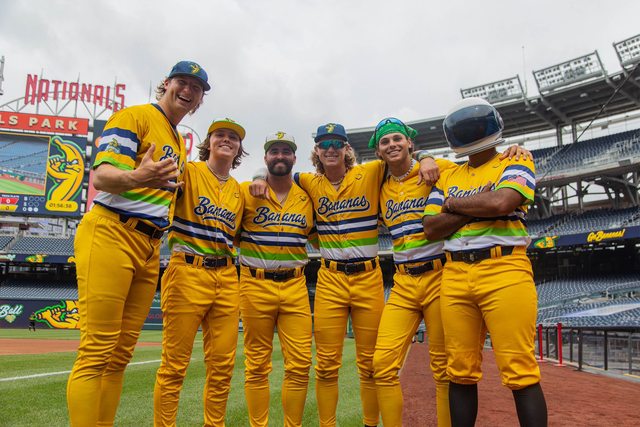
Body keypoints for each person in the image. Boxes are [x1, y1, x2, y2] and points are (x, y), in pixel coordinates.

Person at [251, 122, 438, 427]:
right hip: (330, 278)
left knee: (370, 365)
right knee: (326, 365)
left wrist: (426, 157)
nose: (331, 149)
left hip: (368, 276)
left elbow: (402, 156)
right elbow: (277, 172)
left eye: (337, 143)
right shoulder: (307, 181)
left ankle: (370, 424)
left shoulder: (372, 171)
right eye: (325, 144)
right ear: (317, 150)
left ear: (347, 148)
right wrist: (259, 175)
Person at [67, 60, 209, 427]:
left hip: (149, 244)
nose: (188, 90)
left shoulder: (176, 138)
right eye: (182, 82)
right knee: (97, 351)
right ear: (166, 84)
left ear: (199, 101)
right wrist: (138, 176)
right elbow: (102, 176)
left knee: (119, 356)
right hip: (112, 231)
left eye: (196, 88)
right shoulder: (135, 116)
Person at [370, 117, 532, 427]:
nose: (392, 144)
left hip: (439, 275)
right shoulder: (378, 184)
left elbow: (477, 162)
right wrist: (425, 157)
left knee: (445, 368)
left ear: (409, 143)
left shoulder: (442, 169)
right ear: (378, 151)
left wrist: (428, 159)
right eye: (385, 141)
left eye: (397, 138)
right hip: (403, 280)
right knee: (382, 364)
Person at [423, 97, 547, 427]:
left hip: (504, 267)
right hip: (455, 272)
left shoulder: (516, 160)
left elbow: (503, 201)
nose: (472, 129)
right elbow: (431, 228)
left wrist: (453, 205)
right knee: (459, 370)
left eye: (477, 124)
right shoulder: (447, 176)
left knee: (520, 371)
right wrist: (480, 203)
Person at [153, 118, 247, 426]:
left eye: (233, 137)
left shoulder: (240, 191)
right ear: (209, 142)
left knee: (222, 368)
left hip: (227, 276)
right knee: (174, 366)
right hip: (187, 270)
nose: (227, 140)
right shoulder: (188, 171)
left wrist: (260, 178)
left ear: (239, 148)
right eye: (220, 134)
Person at [238, 132, 316, 427]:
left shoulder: (307, 197)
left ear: (294, 157)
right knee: (257, 365)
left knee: (300, 364)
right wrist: (258, 176)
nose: (280, 156)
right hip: (254, 283)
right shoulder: (247, 191)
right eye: (274, 151)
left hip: (295, 284)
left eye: (286, 151)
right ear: (266, 157)